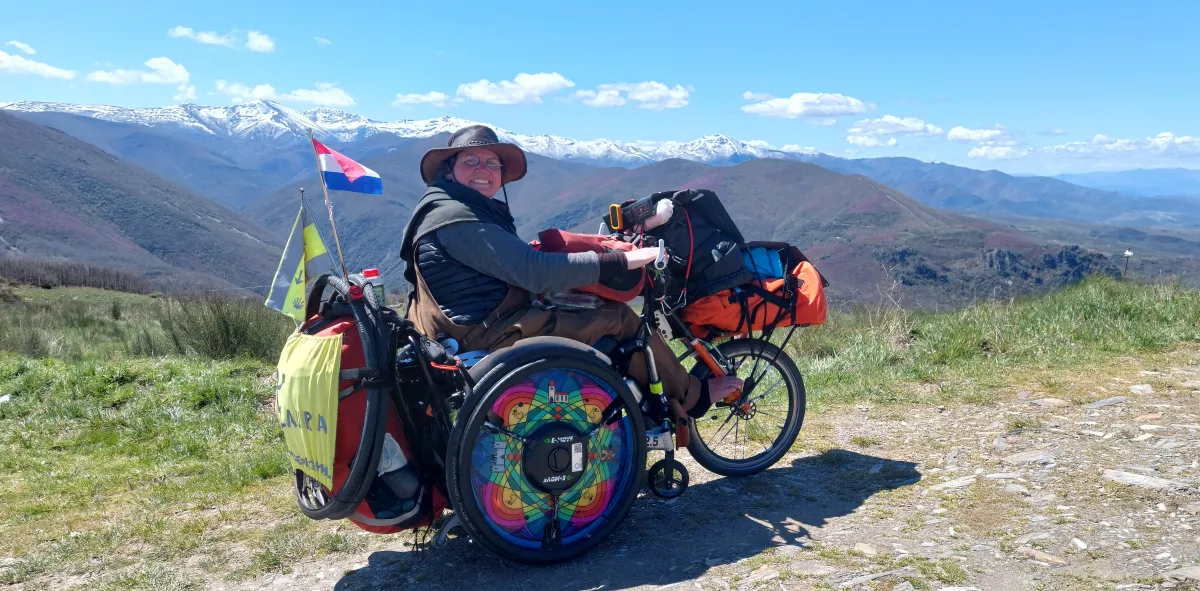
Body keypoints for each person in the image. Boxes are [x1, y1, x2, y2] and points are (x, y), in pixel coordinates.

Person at [399, 125, 742, 421]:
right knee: (621, 318)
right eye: (470, 161)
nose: (483, 169)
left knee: (581, 301)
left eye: (492, 163)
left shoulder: (447, 206)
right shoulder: (460, 218)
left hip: (466, 324)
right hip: (490, 330)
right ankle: (694, 397)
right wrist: (623, 260)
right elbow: (535, 273)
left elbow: (503, 262)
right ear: (449, 169)